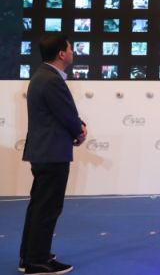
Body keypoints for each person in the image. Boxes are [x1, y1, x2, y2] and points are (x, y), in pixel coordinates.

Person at [20, 33, 87, 274]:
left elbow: (60, 113)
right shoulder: (51, 79)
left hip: (44, 151)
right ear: (61, 53)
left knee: (39, 206)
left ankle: (29, 256)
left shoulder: (42, 75)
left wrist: (77, 127)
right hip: (52, 152)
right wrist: (80, 130)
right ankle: (37, 260)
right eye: (69, 48)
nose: (72, 52)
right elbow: (66, 114)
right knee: (47, 208)